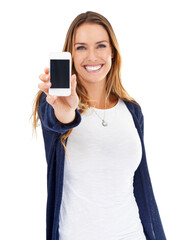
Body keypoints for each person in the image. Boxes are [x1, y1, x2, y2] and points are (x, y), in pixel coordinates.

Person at [32, 11, 167, 240]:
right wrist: (66, 111)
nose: (92, 56)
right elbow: (57, 121)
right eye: (81, 47)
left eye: (101, 46)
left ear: (112, 51)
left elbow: (142, 186)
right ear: (71, 55)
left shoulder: (132, 111)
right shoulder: (52, 103)